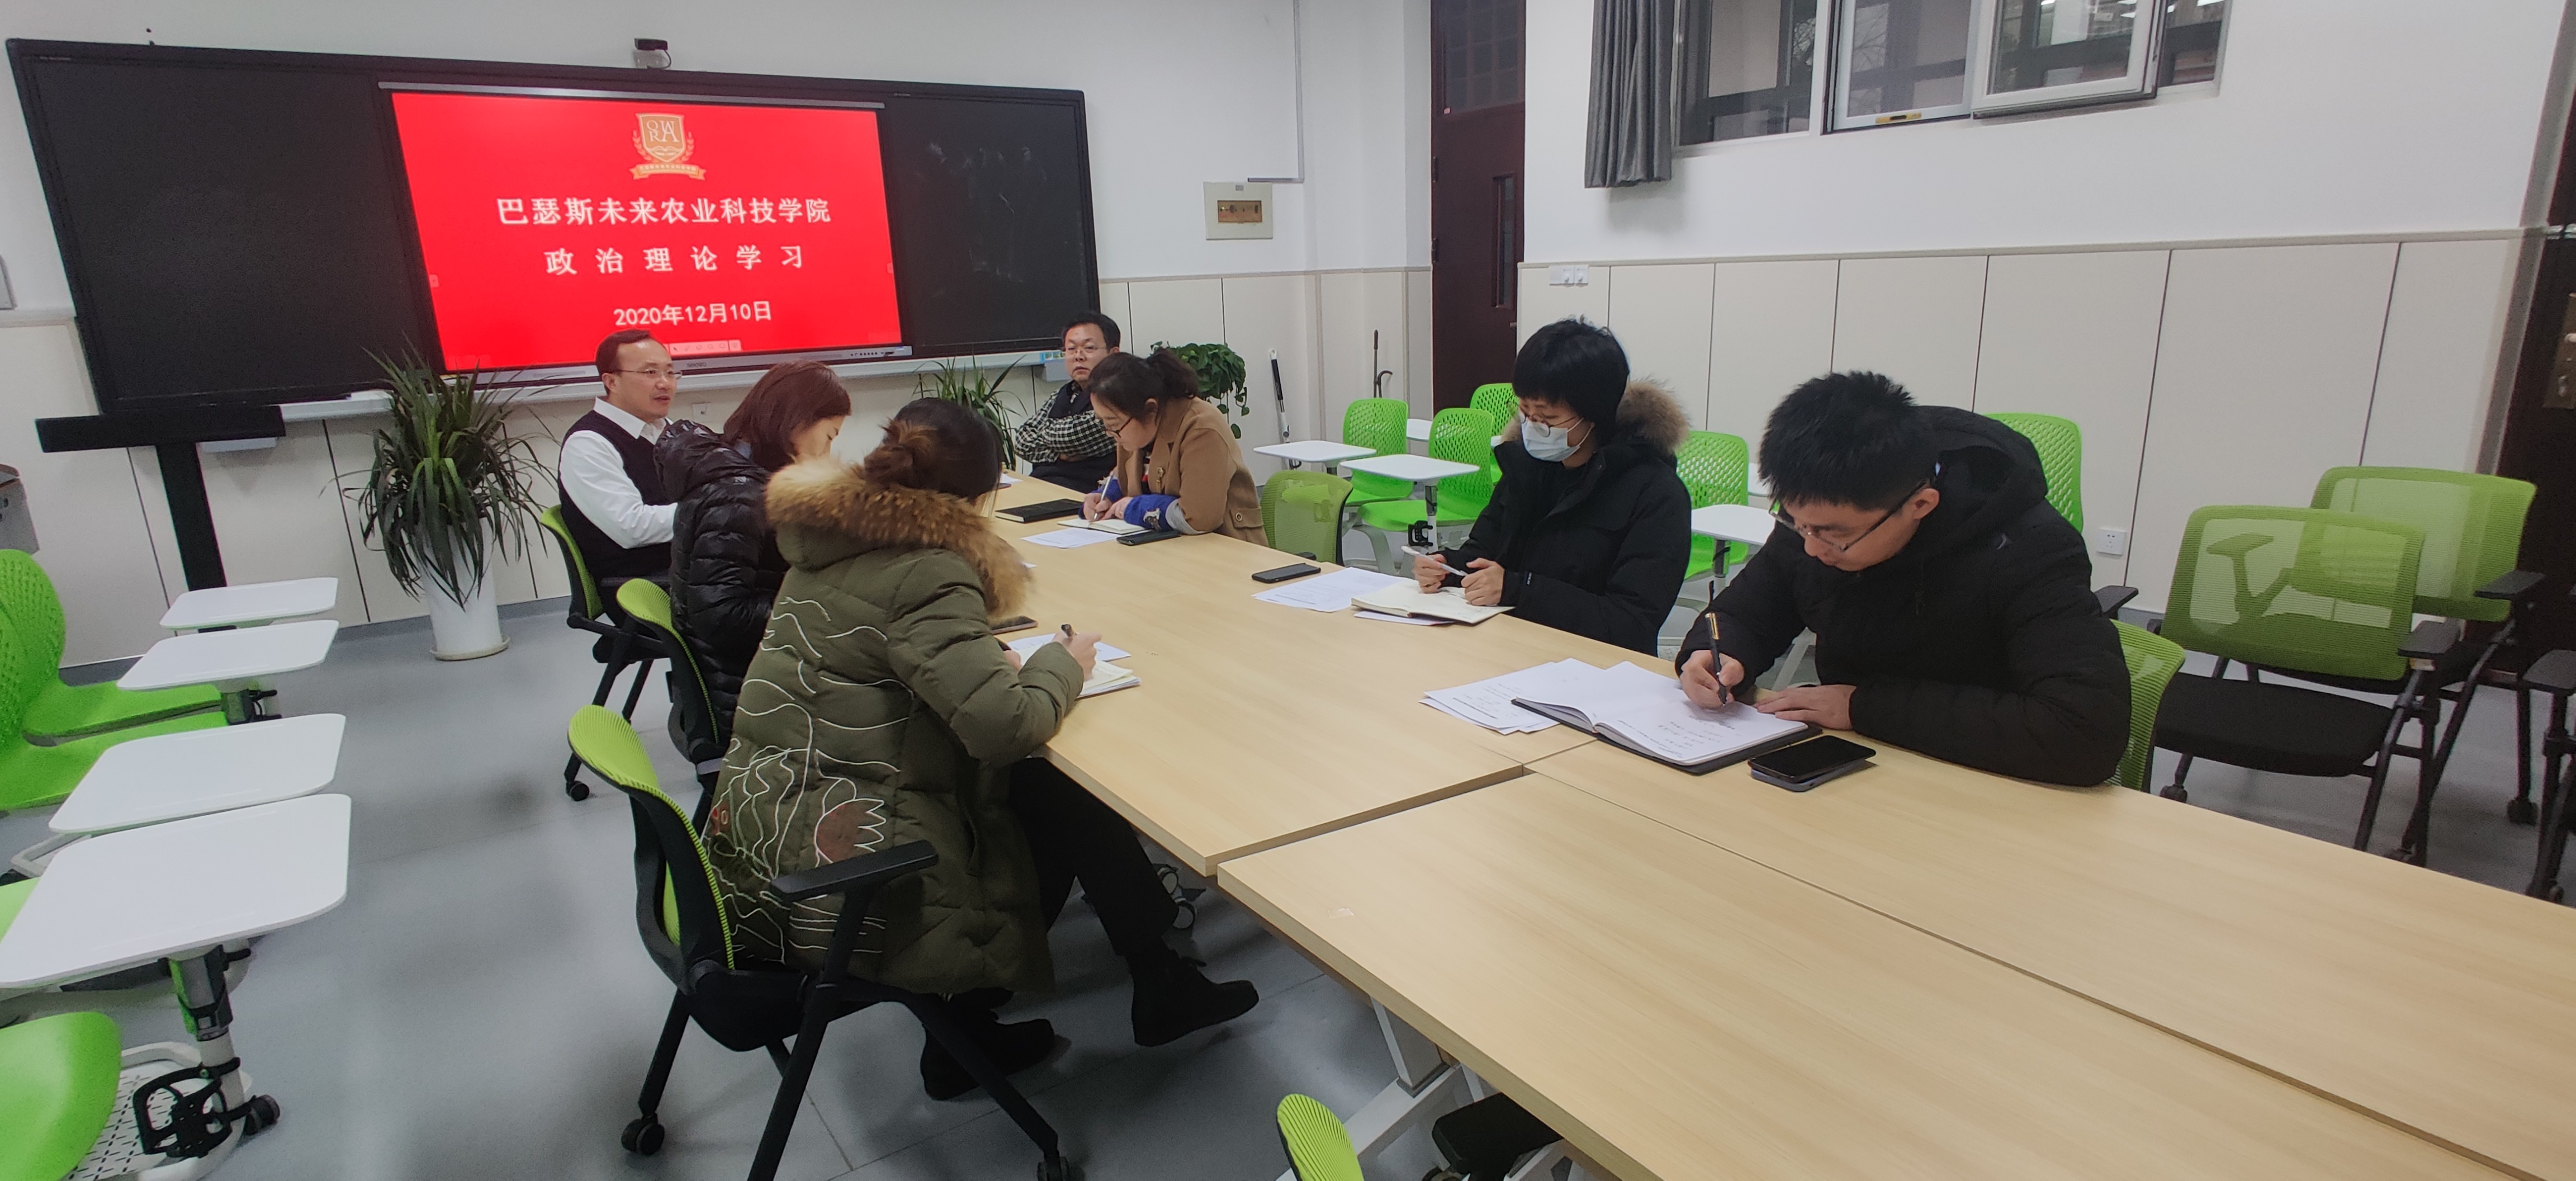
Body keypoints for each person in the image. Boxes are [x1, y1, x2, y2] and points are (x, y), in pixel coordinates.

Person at [710, 398, 1259, 1101]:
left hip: (773, 819)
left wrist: (975, 660)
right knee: (1058, 792)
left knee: (1051, 792)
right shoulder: (925, 569)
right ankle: (1058, 1002)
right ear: (976, 499)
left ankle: (1133, 984)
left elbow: (875, 657)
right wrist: (1064, 662)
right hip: (848, 856)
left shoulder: (831, 539)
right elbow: (1005, 728)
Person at [1674, 372, 2128, 786]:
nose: (1811, 547)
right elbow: (1744, 614)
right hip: (1850, 765)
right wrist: (1718, 655)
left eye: (1836, 536)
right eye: (1795, 522)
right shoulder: (1817, 524)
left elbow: (2084, 731)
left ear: (1921, 506)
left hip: (1985, 781)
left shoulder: (2031, 549)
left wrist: (1862, 707)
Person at [1411, 319, 1690, 655]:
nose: (1533, 427)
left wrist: (1518, 590)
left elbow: (1630, 622)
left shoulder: (1656, 494)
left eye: (1548, 418)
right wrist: (1447, 568)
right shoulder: (1526, 468)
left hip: (1595, 665)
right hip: (1509, 644)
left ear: (1594, 415)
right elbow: (1484, 551)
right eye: (1525, 412)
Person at [656, 360, 850, 745]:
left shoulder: (735, 469)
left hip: (739, 670)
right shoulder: (739, 494)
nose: (827, 453)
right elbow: (723, 615)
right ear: (797, 422)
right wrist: (817, 604)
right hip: (743, 688)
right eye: (829, 437)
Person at [1078, 349, 1267, 544]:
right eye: (1104, 423)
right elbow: (1130, 476)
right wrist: (1106, 496)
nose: (1110, 432)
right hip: (1170, 545)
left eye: (1113, 424)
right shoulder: (1133, 427)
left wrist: (1135, 508)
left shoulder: (1201, 428)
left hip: (1226, 546)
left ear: (1150, 410)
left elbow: (1197, 518)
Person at [560, 328, 679, 584]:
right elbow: (631, 527)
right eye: (650, 373)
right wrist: (710, 512)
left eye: (670, 373)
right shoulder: (589, 443)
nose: (665, 383)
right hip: (642, 585)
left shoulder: (666, 429)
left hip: (691, 568)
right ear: (611, 382)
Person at [1012, 312, 1122, 491]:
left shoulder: (1121, 395)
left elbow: (1075, 437)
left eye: (1089, 348)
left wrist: (1045, 433)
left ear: (1113, 354)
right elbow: (1022, 440)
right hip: (1044, 485)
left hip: (1088, 493)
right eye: (1071, 349)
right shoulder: (1065, 392)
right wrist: (1060, 454)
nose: (1078, 356)